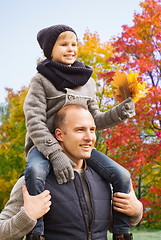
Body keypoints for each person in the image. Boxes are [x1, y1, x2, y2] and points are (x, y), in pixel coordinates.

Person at [23, 25, 136, 239]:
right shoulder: (41, 80)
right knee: (35, 172)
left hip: (77, 147)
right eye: (63, 44)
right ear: (49, 51)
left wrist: (120, 112)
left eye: (74, 44)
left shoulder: (88, 82)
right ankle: (36, 232)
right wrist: (55, 154)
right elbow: (34, 122)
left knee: (122, 175)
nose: (70, 49)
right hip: (45, 147)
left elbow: (94, 119)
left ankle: (121, 232)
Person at [0, 104, 143, 240]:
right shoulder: (35, 180)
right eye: (80, 130)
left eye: (92, 130)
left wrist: (136, 211)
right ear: (59, 135)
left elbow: (112, 225)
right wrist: (28, 216)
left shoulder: (105, 179)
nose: (89, 138)